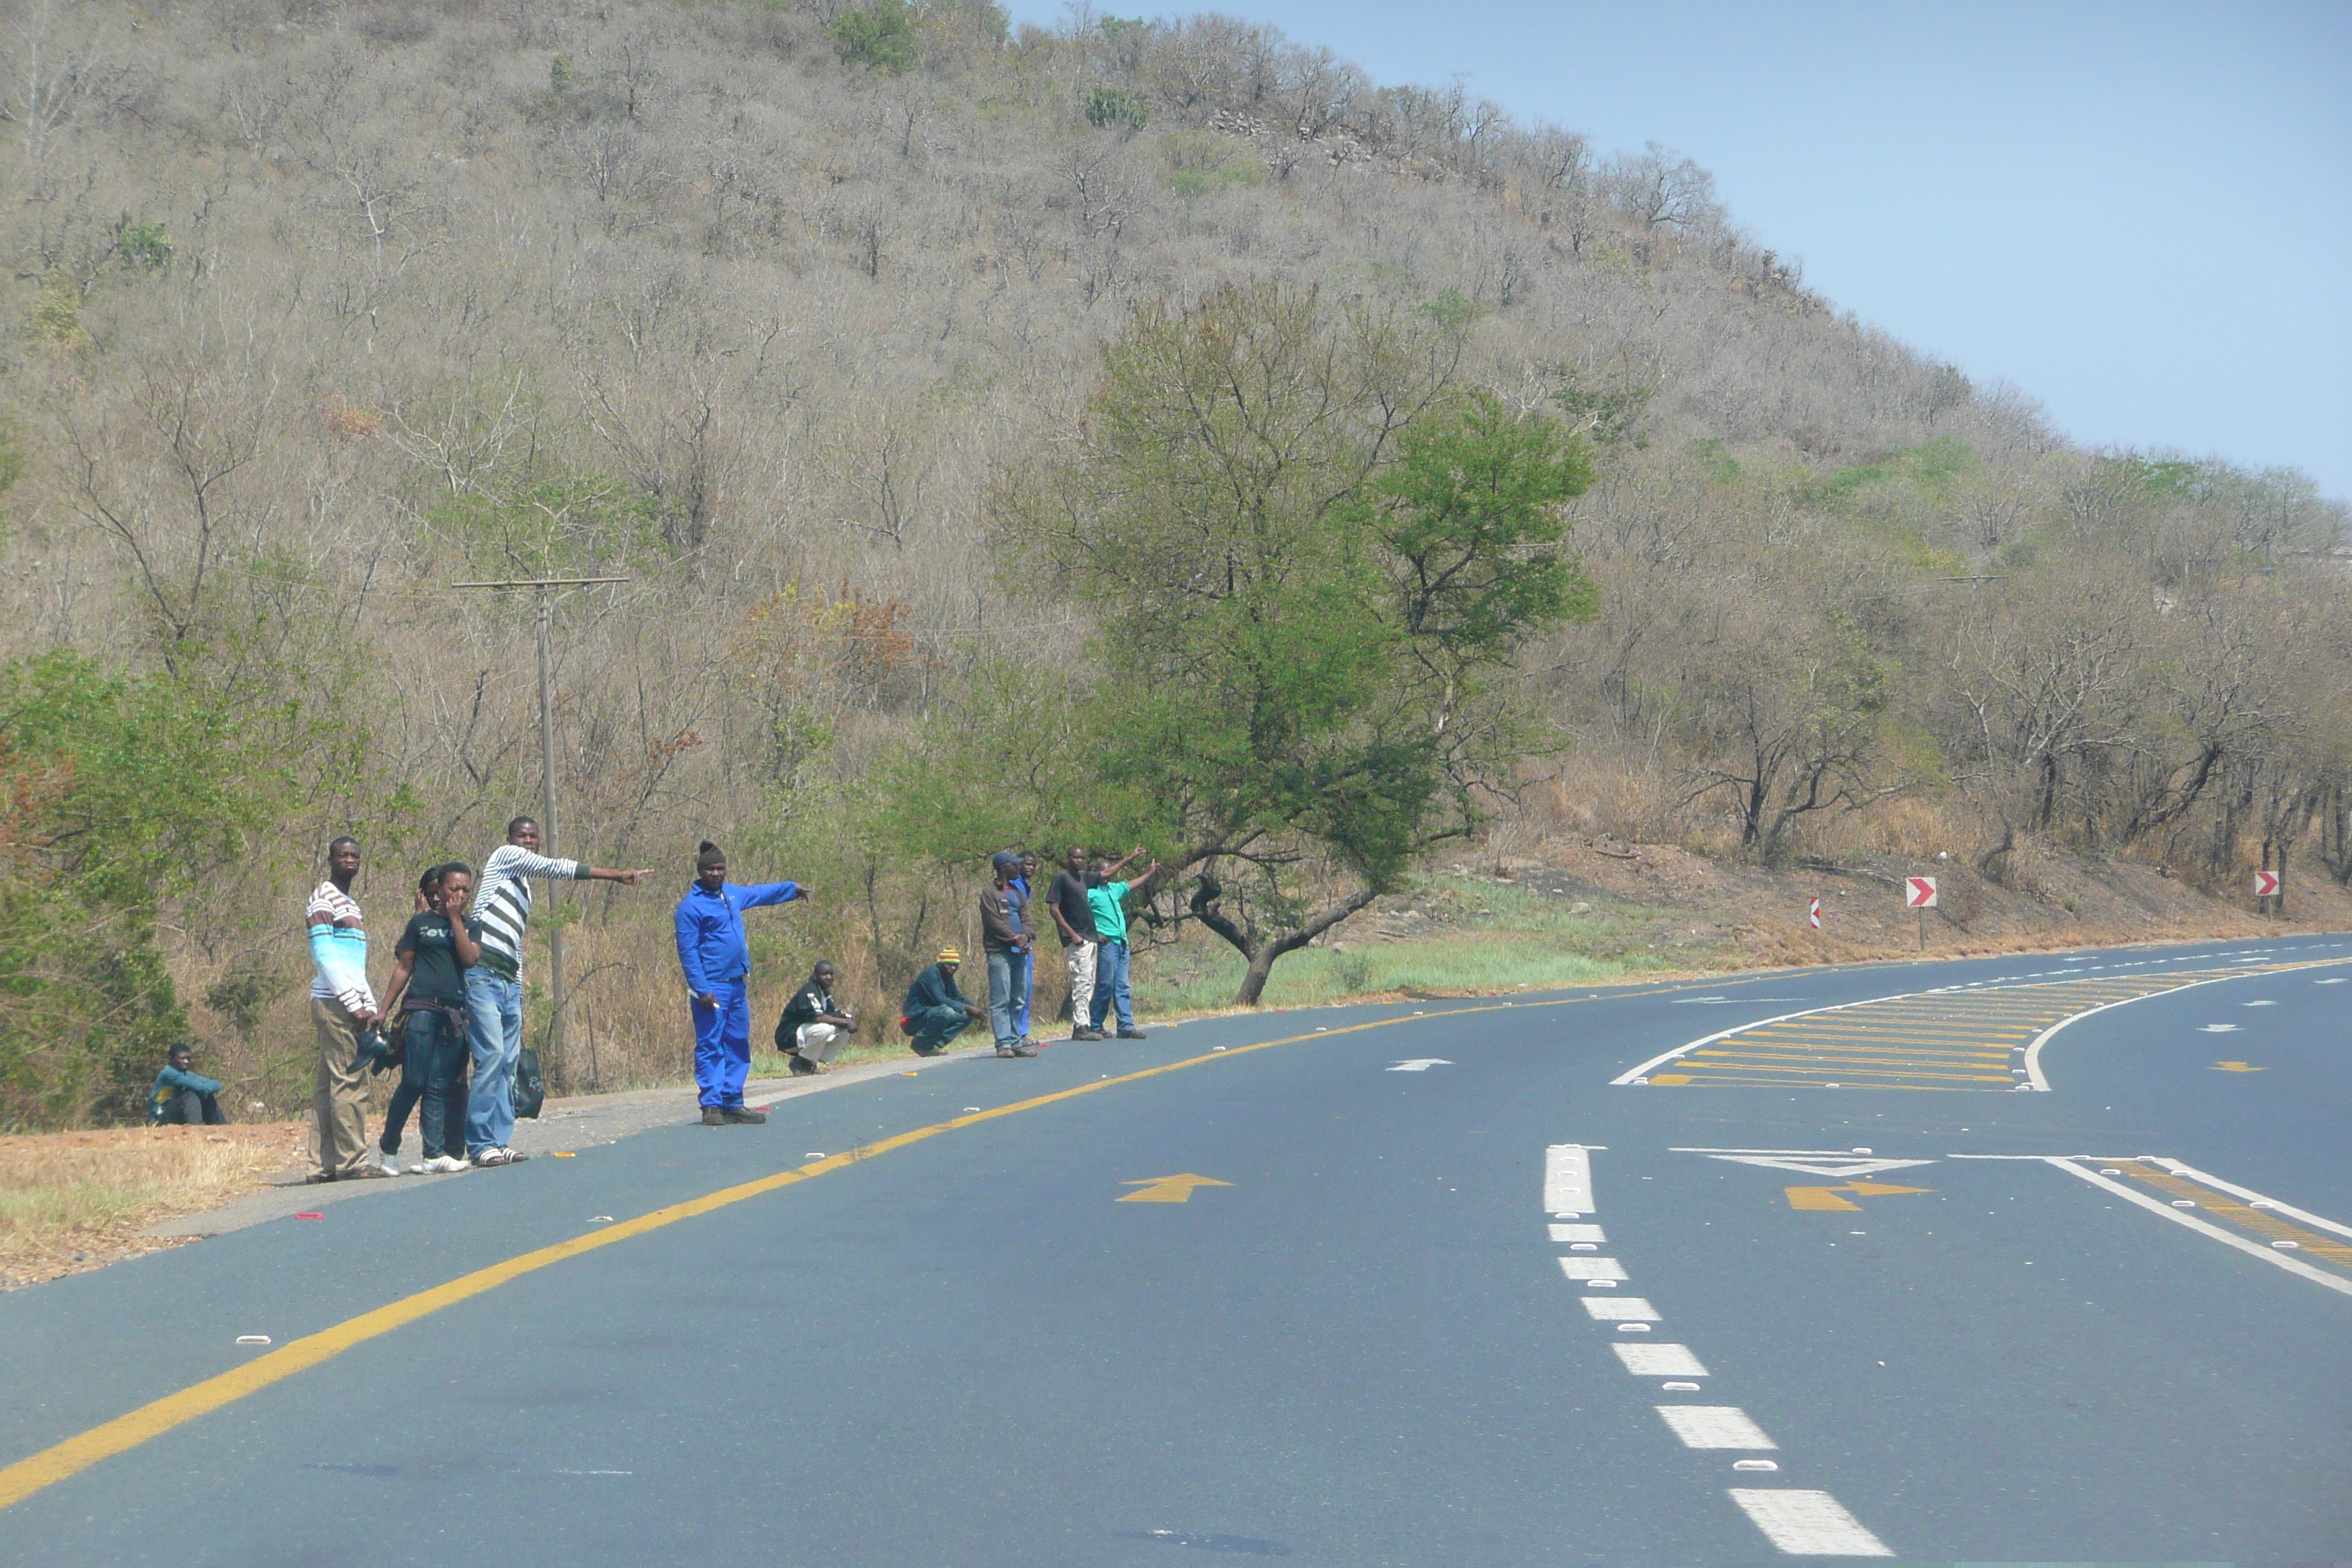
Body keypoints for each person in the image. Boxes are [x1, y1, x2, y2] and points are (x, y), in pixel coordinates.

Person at [466, 815, 651, 1166]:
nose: (529, 841)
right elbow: (558, 868)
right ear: (510, 838)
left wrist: (518, 989)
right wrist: (616, 875)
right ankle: (478, 1142)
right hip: (482, 973)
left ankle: (499, 1140)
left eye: (534, 836)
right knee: (489, 1058)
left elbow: (515, 942)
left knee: (508, 1062)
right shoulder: (504, 857)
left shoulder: (523, 887)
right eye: (523, 835)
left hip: (507, 980)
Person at [674, 841, 808, 1126]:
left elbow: (759, 893)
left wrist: (791, 889)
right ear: (700, 871)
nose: (716, 873)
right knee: (711, 1044)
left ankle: (732, 1101)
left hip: (736, 984)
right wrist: (701, 989)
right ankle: (711, 1105)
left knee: (737, 1042)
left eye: (720, 868)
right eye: (710, 868)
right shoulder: (690, 907)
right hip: (712, 986)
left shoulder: (731, 895)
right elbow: (688, 952)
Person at [376, 863, 481, 1173]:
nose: (458, 895)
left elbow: (470, 959)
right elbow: (404, 967)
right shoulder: (420, 924)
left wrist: (455, 920)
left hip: (453, 1014)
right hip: (421, 1009)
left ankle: (433, 1154)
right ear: (441, 889)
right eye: (452, 889)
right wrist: (383, 1009)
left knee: (438, 1084)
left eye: (465, 890)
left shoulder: (471, 925)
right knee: (413, 1081)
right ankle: (388, 1146)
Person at [305, 836, 388, 1183]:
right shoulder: (322, 900)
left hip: (351, 1000)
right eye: (343, 855)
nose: (350, 860)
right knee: (350, 1080)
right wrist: (354, 1005)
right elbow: (326, 959)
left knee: (328, 1087)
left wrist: (369, 1004)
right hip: (335, 1001)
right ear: (330, 860)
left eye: (355, 855)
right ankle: (354, 1162)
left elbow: (355, 965)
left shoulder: (350, 905)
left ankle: (321, 1165)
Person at [1049, 845, 1149, 1041]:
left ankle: (1120, 1025)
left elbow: (1120, 878)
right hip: (1088, 941)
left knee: (1108, 985)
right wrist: (1075, 934)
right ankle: (1087, 1025)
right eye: (1076, 858)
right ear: (1068, 858)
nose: (1079, 861)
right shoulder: (1076, 885)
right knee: (1095, 984)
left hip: (1109, 941)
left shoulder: (1094, 883)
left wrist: (1135, 861)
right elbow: (1055, 909)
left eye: (1082, 858)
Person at [1088, 856, 1158, 1040]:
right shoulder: (1090, 892)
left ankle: (1125, 1025)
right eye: (1104, 872)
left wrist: (1150, 873)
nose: (1107, 875)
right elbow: (1079, 914)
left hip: (1121, 943)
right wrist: (1094, 933)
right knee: (1105, 984)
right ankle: (1095, 1024)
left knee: (1122, 985)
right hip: (1107, 944)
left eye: (1110, 871)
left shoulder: (1113, 889)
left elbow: (1130, 885)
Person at [980, 851, 1036, 1058]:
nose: (1018, 868)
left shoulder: (1018, 893)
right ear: (1004, 868)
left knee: (1018, 997)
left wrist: (1026, 936)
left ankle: (1016, 1041)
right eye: (1015, 865)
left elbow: (1027, 919)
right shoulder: (989, 893)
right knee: (1001, 998)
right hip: (999, 952)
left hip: (1019, 951)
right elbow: (993, 922)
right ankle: (1003, 1043)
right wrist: (1014, 937)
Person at [775, 960, 857, 1076]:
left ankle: (809, 1063)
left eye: (831, 974)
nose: (829, 977)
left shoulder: (824, 993)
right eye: (824, 974)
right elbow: (817, 1016)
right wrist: (845, 1021)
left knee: (844, 1031)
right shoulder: (810, 991)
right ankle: (800, 1063)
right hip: (788, 1036)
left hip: (805, 1032)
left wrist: (849, 1020)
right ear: (815, 976)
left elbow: (832, 1014)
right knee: (825, 1029)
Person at [900, 946, 983, 1056]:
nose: (953, 968)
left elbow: (957, 997)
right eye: (949, 965)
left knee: (967, 1015)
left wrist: (974, 1008)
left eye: (956, 965)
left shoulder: (947, 976)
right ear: (941, 964)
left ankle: (933, 1045)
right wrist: (967, 1008)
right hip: (912, 1020)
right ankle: (920, 1043)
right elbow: (940, 1000)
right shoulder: (931, 975)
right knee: (946, 1011)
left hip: (930, 1015)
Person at [149, 1043, 226, 1127]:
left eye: (188, 1058)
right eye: (182, 1058)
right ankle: (197, 1126)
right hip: (160, 1118)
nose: (186, 1061)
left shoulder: (186, 1074)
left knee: (207, 1096)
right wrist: (205, 1088)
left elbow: (217, 1084)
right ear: (171, 1059)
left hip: (175, 1115)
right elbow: (201, 1087)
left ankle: (222, 1126)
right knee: (189, 1095)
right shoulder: (168, 1073)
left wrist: (206, 1089)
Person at [1013, 850, 1040, 1040]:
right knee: (1017, 990)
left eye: (1033, 865)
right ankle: (1014, 1033)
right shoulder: (1012, 886)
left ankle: (1023, 1032)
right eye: (1026, 863)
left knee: (1026, 989)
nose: (1030, 867)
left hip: (1027, 942)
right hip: (1014, 942)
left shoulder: (1025, 886)